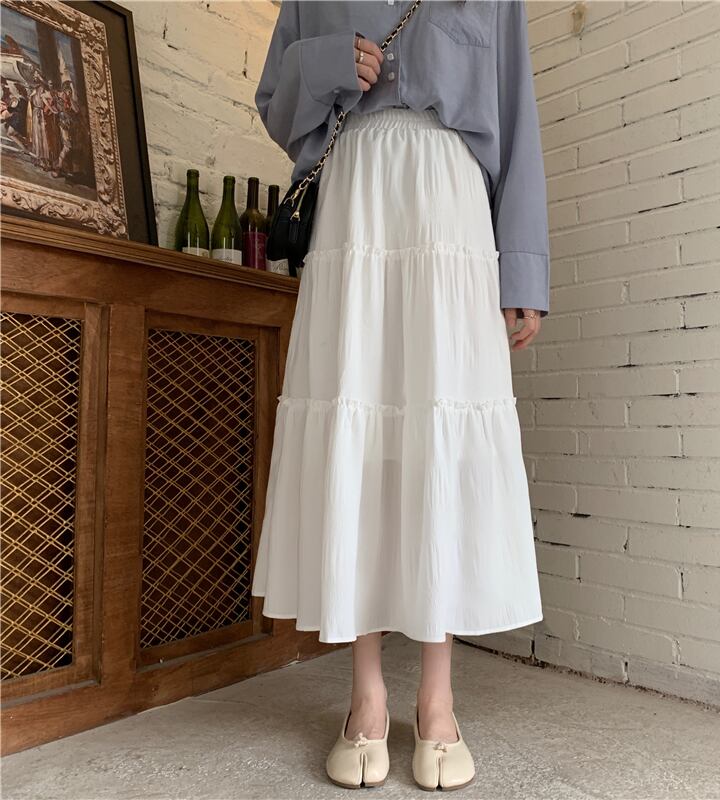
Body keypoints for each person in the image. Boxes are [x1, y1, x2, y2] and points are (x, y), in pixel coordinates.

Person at [252, 0, 550, 791]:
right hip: (354, 204)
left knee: (438, 446)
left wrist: (523, 269)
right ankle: (367, 695)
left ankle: (438, 698)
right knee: (363, 444)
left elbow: (515, 114)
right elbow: (277, 103)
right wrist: (328, 63)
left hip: (451, 208)